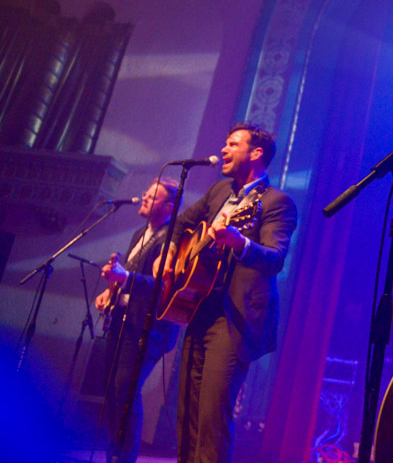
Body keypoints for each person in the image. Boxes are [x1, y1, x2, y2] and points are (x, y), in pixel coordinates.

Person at [167, 123, 297, 463]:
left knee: (212, 417)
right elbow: (181, 224)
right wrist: (169, 257)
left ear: (256, 154)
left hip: (234, 318)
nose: (223, 150)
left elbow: (275, 259)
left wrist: (240, 243)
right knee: (187, 412)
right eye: (225, 143)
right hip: (199, 306)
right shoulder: (219, 191)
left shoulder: (276, 203)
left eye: (232, 144)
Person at [96, 178, 181, 463]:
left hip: (149, 328)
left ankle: (126, 457)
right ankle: (114, 455)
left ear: (168, 206)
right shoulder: (139, 234)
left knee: (126, 389)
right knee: (113, 388)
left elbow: (162, 288)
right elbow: (128, 277)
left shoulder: (172, 241)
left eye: (152, 197)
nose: (143, 198)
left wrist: (126, 278)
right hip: (123, 320)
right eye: (145, 193)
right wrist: (110, 292)